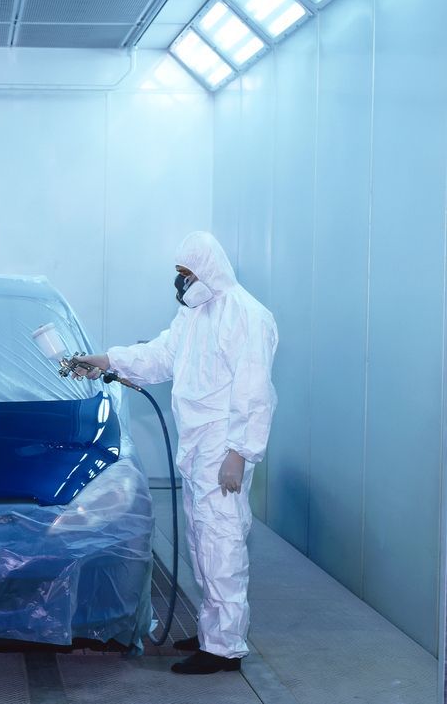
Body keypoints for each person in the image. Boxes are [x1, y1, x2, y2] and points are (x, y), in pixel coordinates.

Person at [72, 231, 277, 675]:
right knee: (202, 543)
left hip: (223, 447)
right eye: (179, 273)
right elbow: (161, 356)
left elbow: (255, 392)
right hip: (198, 446)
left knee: (222, 544)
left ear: (208, 269)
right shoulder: (193, 314)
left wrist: (239, 453)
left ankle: (225, 648)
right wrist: (107, 359)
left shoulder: (247, 315)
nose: (181, 281)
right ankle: (212, 631)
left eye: (187, 273)